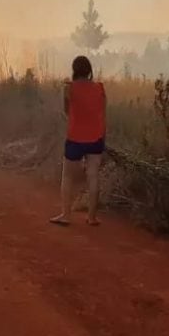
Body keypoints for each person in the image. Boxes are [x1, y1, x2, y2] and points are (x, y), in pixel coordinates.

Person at [50, 56, 107, 227]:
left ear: (74, 70)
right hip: (96, 137)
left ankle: (66, 215)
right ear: (89, 71)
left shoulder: (69, 88)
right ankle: (92, 217)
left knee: (67, 176)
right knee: (93, 176)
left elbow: (67, 111)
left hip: (75, 137)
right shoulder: (100, 88)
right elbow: (103, 113)